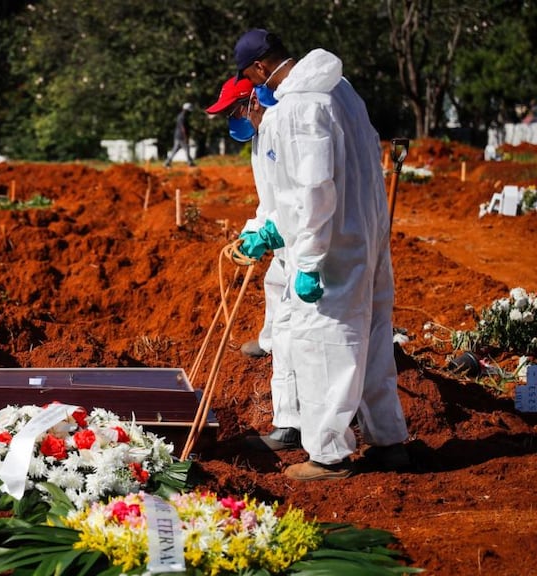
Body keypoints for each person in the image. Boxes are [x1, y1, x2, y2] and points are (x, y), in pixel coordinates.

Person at [234, 29, 410, 480]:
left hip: (331, 250)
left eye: (252, 78)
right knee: (372, 340)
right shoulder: (342, 90)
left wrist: (306, 259)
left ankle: (329, 456)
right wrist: (273, 228)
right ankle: (389, 442)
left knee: (324, 347)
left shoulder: (297, 108)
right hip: (367, 239)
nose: (258, 89)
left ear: (258, 69)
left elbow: (313, 191)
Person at [206, 76, 300, 452]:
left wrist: (271, 233)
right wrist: (254, 233)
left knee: (293, 332)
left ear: (253, 102)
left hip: (303, 240)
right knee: (274, 284)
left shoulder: (283, 132)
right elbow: (270, 202)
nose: (231, 119)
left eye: (233, 111)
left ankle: (289, 425)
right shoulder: (260, 140)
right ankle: (266, 340)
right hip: (283, 238)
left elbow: (299, 198)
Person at [164, 102, 195, 168]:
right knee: (186, 149)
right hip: (181, 136)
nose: (190, 113)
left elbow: (187, 127)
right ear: (186, 110)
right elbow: (183, 128)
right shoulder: (182, 117)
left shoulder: (182, 116)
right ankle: (190, 163)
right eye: (189, 111)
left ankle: (167, 162)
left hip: (178, 136)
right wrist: (186, 137)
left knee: (175, 150)